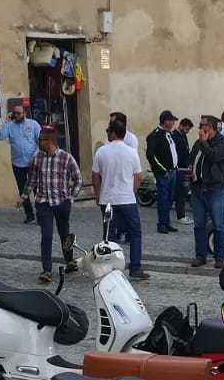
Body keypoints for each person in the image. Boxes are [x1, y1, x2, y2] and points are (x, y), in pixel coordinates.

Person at [94, 118, 148, 280]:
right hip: (127, 199)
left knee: (108, 235)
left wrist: (98, 194)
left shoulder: (102, 151)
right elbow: (137, 177)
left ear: (113, 133)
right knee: (135, 233)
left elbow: (95, 175)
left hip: (107, 199)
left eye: (107, 131)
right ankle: (135, 267)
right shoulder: (131, 152)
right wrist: (131, 191)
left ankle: (108, 268)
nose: (107, 134)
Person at [29, 125, 81, 282]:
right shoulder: (37, 158)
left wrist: (71, 197)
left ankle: (70, 261)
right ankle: (46, 270)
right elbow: (32, 180)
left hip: (61, 201)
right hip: (43, 202)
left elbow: (78, 179)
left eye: (41, 140)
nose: (39, 142)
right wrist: (23, 196)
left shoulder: (66, 157)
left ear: (50, 141)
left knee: (64, 233)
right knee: (46, 235)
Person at [189, 115, 224, 268]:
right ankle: (200, 256)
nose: (200, 128)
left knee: (218, 225)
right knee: (198, 225)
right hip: (198, 188)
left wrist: (204, 143)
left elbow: (213, 156)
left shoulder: (222, 142)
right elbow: (192, 157)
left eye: (203, 125)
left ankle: (220, 258)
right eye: (200, 125)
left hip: (214, 189)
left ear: (211, 128)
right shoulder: (199, 143)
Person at [0, 101, 40, 223]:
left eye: (19, 113)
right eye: (15, 113)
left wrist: (35, 156)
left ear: (24, 113)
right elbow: (1, 136)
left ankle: (41, 215)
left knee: (37, 189)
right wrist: (6, 121)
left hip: (33, 162)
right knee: (23, 190)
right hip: (17, 163)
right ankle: (29, 215)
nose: (17, 115)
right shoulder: (10, 125)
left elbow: (40, 141)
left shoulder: (33, 124)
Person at [146, 109, 185, 234]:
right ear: (165, 121)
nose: (173, 123)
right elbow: (151, 155)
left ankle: (167, 222)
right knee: (163, 199)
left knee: (169, 199)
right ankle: (162, 223)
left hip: (173, 171)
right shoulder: (155, 135)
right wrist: (162, 171)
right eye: (172, 120)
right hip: (164, 173)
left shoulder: (170, 135)